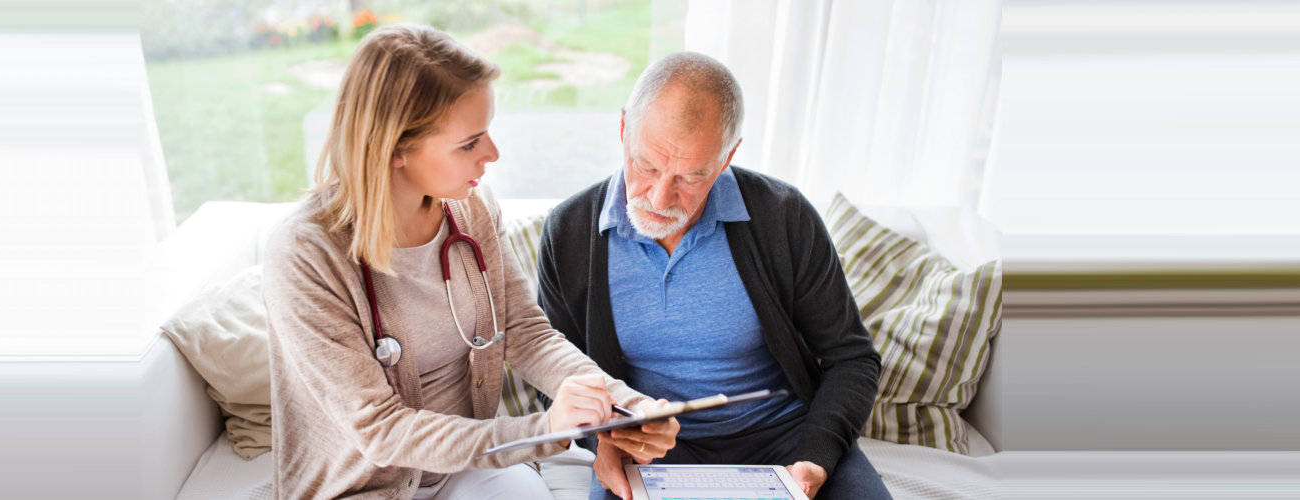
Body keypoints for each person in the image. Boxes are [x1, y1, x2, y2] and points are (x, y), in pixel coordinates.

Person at [260, 24, 679, 499]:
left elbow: (525, 333)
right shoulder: (304, 255)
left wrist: (628, 406)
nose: (492, 154)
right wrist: (540, 429)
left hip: (467, 468)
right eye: (469, 143)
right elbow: (380, 431)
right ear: (395, 148)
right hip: (362, 487)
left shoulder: (470, 208)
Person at [536, 52, 894, 500]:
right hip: (649, 452)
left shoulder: (783, 217)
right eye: (646, 165)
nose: (660, 197)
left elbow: (852, 358)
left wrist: (816, 457)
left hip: (786, 442)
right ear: (624, 128)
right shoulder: (569, 232)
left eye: (691, 176)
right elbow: (555, 380)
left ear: (728, 157)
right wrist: (602, 441)